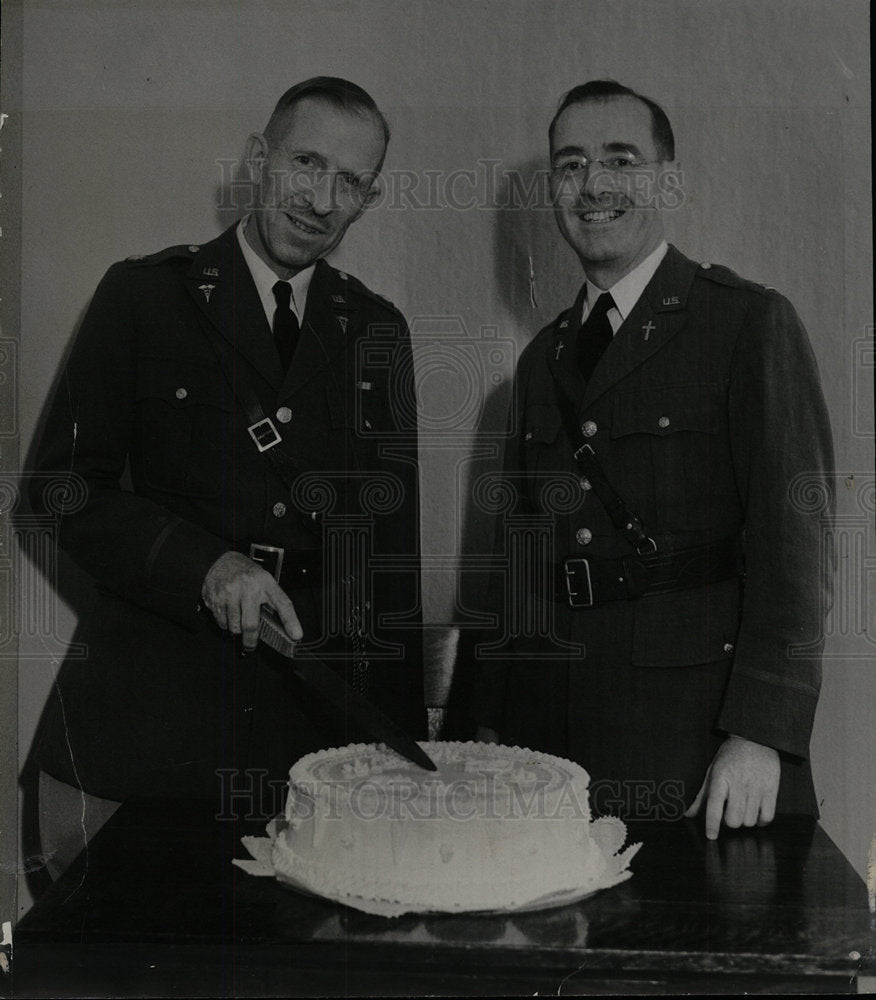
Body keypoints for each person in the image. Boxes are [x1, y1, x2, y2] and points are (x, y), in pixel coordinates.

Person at [27, 77, 425, 878]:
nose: (320, 198)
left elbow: (388, 562)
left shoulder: (377, 329)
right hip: (151, 725)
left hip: (309, 745)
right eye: (306, 163)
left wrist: (400, 754)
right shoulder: (144, 296)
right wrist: (202, 565)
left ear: (368, 200)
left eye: (349, 182)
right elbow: (56, 491)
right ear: (258, 159)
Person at [473, 80, 834, 839]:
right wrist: (488, 729)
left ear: (666, 180)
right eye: (570, 165)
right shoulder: (543, 361)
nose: (594, 185)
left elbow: (796, 551)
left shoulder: (744, 325)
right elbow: (520, 562)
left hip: (696, 742)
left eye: (620, 160)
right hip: (553, 742)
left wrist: (760, 733)